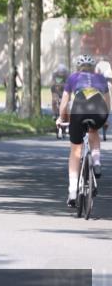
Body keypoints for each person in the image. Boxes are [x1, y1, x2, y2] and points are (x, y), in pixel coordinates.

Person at [59, 54, 111, 207]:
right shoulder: (101, 78)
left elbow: (64, 103)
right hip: (99, 110)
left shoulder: (72, 78)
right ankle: (96, 161)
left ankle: (73, 191)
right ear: (93, 67)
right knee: (93, 131)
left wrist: (62, 118)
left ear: (78, 67)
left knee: (75, 151)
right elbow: (108, 103)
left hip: (79, 109)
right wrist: (105, 119)